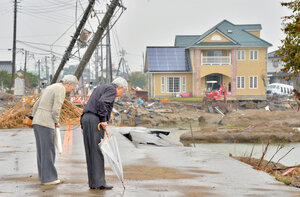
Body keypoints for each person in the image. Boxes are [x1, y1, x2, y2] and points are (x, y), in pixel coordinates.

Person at [80, 77, 128, 190]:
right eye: (122, 92)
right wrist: (103, 119)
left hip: (86, 118)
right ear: (120, 87)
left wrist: (82, 125)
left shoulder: (100, 88)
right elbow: (102, 102)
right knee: (97, 151)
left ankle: (93, 183)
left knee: (90, 151)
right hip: (95, 120)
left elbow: (89, 104)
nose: (120, 95)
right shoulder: (111, 90)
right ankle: (99, 183)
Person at [32, 75, 78, 185]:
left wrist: (35, 117)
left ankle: (43, 177)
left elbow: (36, 105)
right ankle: (49, 179)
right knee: (48, 150)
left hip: (38, 121)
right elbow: (56, 108)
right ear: (69, 84)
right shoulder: (60, 89)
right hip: (47, 122)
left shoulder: (50, 87)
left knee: (42, 151)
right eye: (72, 88)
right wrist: (56, 121)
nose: (70, 91)